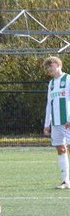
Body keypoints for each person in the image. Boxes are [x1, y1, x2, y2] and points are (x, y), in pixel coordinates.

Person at [42, 56, 70, 189]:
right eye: (47, 67)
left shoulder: (68, 79)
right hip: (56, 123)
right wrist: (47, 124)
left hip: (67, 121)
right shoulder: (51, 83)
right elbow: (49, 104)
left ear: (58, 64)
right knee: (60, 149)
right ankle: (65, 181)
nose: (49, 69)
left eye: (50, 66)